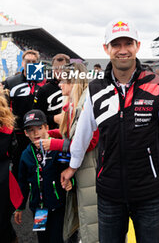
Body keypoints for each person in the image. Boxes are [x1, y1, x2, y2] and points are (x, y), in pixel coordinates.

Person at [61, 19, 159, 243]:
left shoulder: (158, 85)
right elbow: (82, 134)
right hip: (109, 194)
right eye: (116, 44)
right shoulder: (95, 88)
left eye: (127, 43)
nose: (122, 50)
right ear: (106, 49)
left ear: (137, 46)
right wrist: (73, 166)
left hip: (148, 193)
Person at [37, 63, 99, 243]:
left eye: (63, 80)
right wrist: (48, 134)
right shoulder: (73, 105)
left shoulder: (86, 104)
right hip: (78, 170)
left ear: (74, 82)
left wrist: (54, 143)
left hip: (88, 170)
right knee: (81, 217)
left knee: (91, 220)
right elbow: (69, 134)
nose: (59, 85)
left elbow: (89, 141)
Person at [14, 109, 72, 243]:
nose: (35, 133)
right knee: (43, 239)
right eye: (31, 130)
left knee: (57, 239)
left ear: (46, 127)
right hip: (38, 209)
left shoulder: (57, 148)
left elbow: (70, 172)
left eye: (39, 128)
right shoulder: (26, 155)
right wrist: (20, 206)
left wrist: (71, 183)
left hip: (58, 205)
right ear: (25, 133)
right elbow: (22, 183)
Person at [2, 49, 46, 178]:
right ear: (22, 63)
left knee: (39, 165)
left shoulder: (43, 83)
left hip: (38, 132)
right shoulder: (11, 82)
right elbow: (5, 108)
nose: (30, 64)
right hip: (18, 133)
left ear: (37, 63)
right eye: (27, 61)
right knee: (18, 166)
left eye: (33, 62)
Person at [0, 93, 23, 243]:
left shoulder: (7, 131)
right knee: (3, 222)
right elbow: (14, 152)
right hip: (4, 182)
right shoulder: (8, 129)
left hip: (4, 182)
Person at [33, 53, 70, 129]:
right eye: (56, 68)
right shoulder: (44, 90)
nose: (59, 71)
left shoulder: (76, 87)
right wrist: (53, 118)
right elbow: (36, 115)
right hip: (52, 134)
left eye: (62, 68)